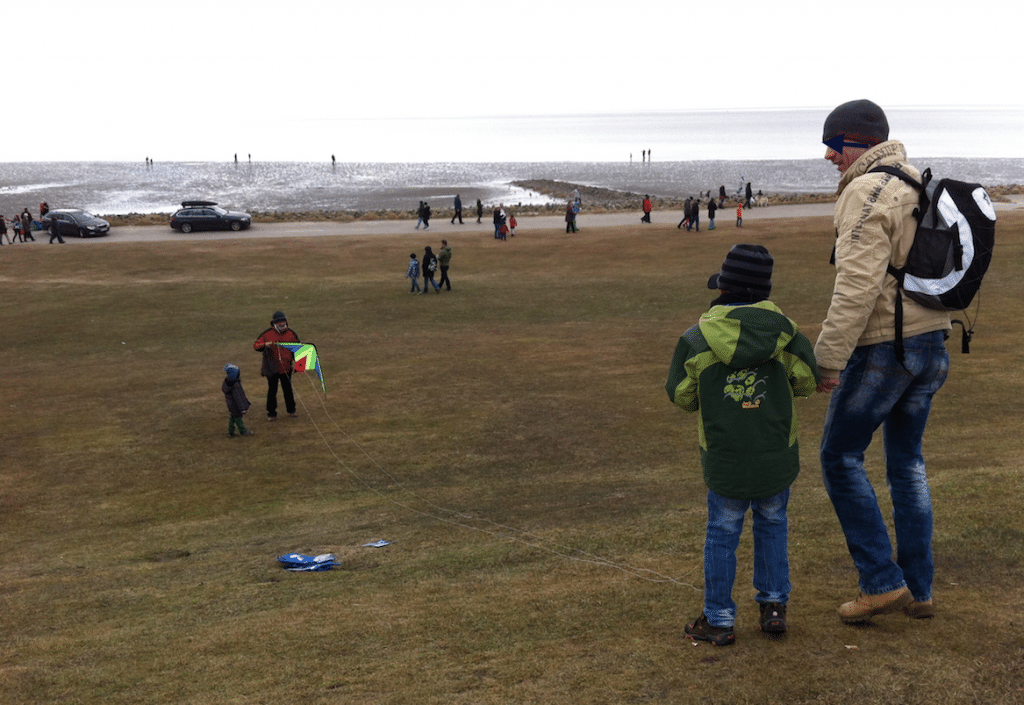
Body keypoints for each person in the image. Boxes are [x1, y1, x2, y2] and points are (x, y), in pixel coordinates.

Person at [815, 99, 951, 624]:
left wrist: (829, 361)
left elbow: (856, 287)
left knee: (839, 457)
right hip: (931, 342)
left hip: (886, 348)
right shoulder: (914, 181)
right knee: (907, 466)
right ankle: (919, 589)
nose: (828, 154)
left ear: (862, 142)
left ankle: (880, 581)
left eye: (835, 143)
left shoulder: (867, 190)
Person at [665, 244, 819, 646]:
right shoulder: (787, 336)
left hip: (725, 459)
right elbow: (806, 383)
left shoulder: (698, 340)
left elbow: (681, 394)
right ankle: (772, 606)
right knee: (773, 524)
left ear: (725, 289)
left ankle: (718, 617)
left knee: (722, 532)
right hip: (774, 458)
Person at [253, 311, 300, 421]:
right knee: (272, 390)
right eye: (279, 322)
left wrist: (299, 364)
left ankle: (291, 410)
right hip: (272, 368)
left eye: (283, 321)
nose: (282, 324)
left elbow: (298, 349)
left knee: (288, 390)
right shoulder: (267, 334)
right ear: (274, 323)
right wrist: (265, 345)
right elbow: (256, 346)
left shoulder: (291, 333)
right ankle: (271, 413)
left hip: (286, 367)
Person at [222, 364, 253, 437]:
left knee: (232, 417)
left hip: (231, 405)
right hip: (235, 406)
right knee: (238, 419)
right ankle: (243, 431)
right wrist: (243, 409)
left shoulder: (228, 383)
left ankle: (231, 431)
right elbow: (238, 398)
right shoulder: (235, 385)